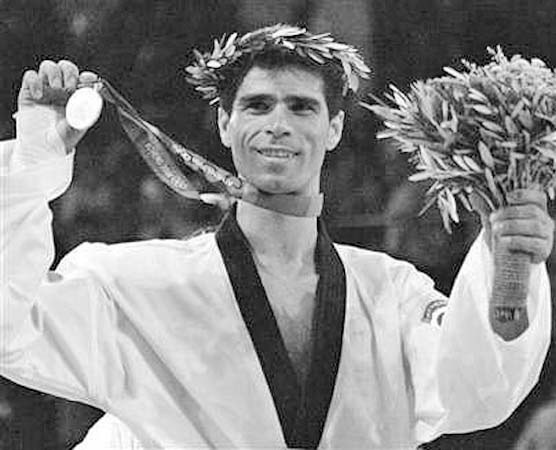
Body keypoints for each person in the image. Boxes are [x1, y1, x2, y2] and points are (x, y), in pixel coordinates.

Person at [0, 24, 554, 450]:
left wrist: (509, 260)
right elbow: (11, 331)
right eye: (257, 105)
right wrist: (32, 165)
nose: (279, 123)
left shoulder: (391, 292)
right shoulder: (136, 283)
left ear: (334, 128)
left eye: (302, 107)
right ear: (225, 124)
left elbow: (476, 390)